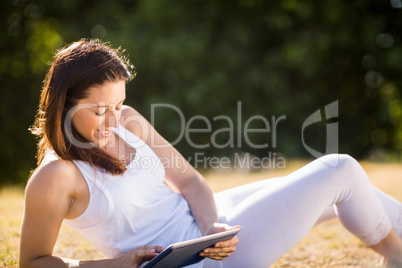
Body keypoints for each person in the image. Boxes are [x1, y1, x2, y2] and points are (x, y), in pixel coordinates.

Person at [19, 39, 402, 268]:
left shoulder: (129, 122)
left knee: (343, 191)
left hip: (206, 228)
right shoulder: (56, 177)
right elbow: (32, 263)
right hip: (193, 261)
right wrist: (115, 264)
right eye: (100, 110)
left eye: (119, 105)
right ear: (63, 105)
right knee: (341, 170)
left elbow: (187, 180)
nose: (113, 120)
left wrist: (209, 227)